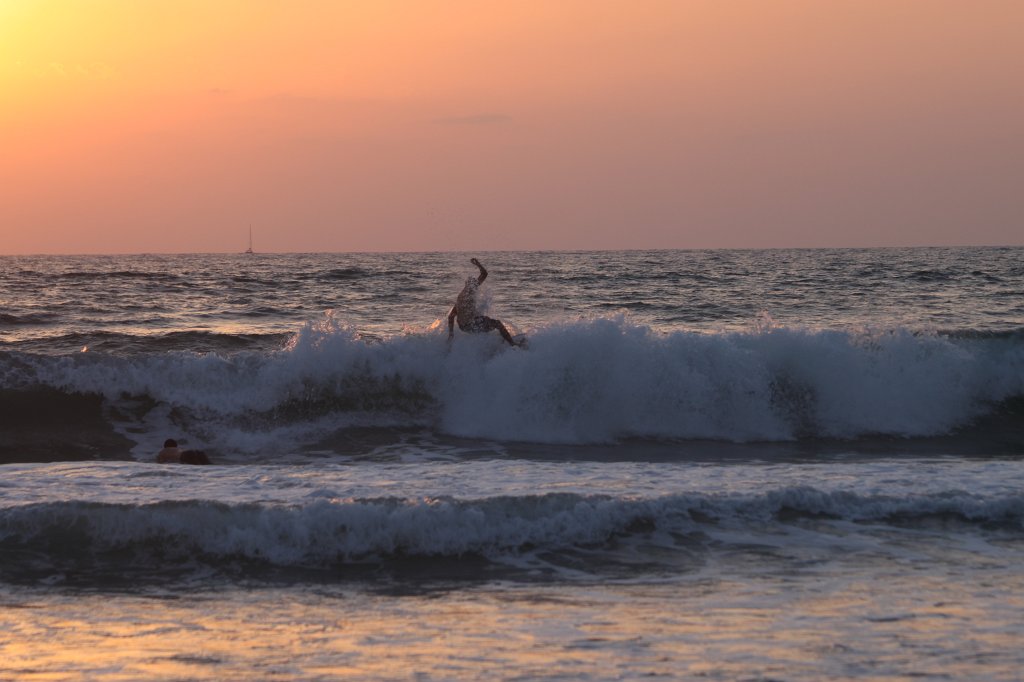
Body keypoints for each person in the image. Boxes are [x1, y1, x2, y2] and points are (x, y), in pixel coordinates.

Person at [447, 257, 520, 346]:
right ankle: (512, 344)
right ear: (470, 285)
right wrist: (477, 264)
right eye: (474, 282)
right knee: (498, 323)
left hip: (464, 326)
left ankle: (494, 342)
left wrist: (451, 334)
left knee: (488, 321)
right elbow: (484, 274)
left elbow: (451, 316)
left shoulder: (461, 296)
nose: (477, 283)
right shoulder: (470, 292)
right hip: (471, 325)